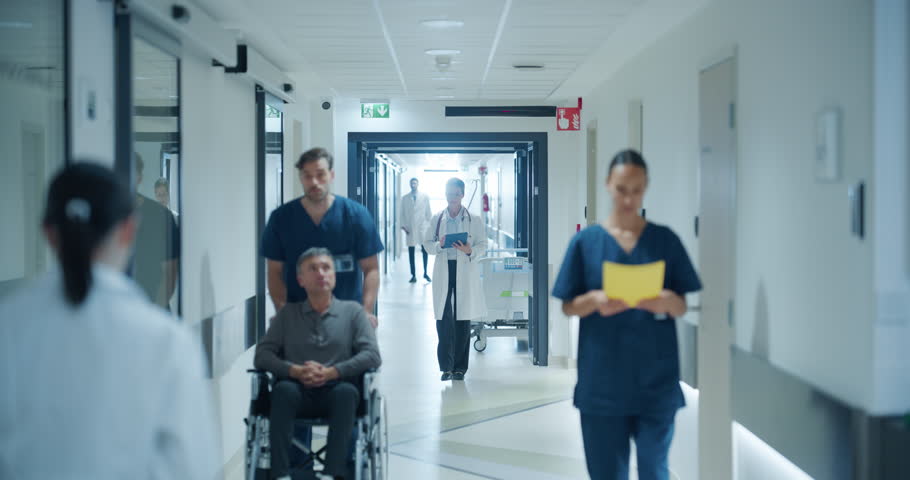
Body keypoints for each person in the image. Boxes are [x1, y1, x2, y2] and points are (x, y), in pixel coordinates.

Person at [0, 163, 219, 479]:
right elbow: (192, 467)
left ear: (47, 232)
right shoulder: (168, 341)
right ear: (129, 230)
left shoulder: (9, 327)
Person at [551, 150, 702, 480]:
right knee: (607, 473)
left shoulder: (665, 241)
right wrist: (594, 299)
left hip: (656, 383)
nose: (628, 199)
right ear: (608, 185)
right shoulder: (586, 243)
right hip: (602, 385)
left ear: (646, 186)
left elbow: (681, 305)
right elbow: (567, 305)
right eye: (621, 189)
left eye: (636, 190)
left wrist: (663, 300)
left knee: (655, 469)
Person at [254, 248, 381, 480]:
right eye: (312, 269)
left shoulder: (352, 313)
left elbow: (372, 355)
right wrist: (294, 370)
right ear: (300, 280)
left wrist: (334, 372)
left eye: (326, 268)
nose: (320, 273)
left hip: (336, 391)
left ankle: (332, 474)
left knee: (347, 393)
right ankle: (280, 474)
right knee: (282, 390)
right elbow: (262, 355)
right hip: (296, 392)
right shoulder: (287, 315)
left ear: (334, 276)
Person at [262, 147, 382, 327]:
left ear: (331, 175)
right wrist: (282, 310)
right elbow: (274, 271)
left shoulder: (356, 215)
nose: (314, 182)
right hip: (298, 319)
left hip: (347, 319)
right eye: (307, 176)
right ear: (300, 178)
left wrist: (366, 311)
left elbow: (371, 268)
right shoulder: (282, 218)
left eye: (320, 174)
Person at [422, 178, 487, 381]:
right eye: (449, 193)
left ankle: (459, 368)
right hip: (444, 269)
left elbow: (483, 245)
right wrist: (440, 245)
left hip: (464, 270)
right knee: (443, 318)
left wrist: (470, 250)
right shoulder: (437, 218)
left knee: (462, 318)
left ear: (462, 195)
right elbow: (427, 244)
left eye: (455, 193)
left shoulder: (473, 219)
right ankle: (446, 368)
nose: (452, 197)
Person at [132, 153, 179, 309]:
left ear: (139, 177)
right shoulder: (106, 215)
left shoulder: (160, 216)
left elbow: (170, 273)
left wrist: (153, 314)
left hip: (154, 306)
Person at [399, 177, 431, 283]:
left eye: (415, 183)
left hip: (422, 228)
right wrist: (403, 226)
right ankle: (413, 275)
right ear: (409, 184)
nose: (413, 185)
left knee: (425, 250)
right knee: (411, 252)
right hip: (410, 228)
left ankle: (425, 273)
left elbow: (428, 213)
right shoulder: (405, 198)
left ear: (418, 184)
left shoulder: (424, 197)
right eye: (412, 183)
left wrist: (430, 227)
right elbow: (402, 213)